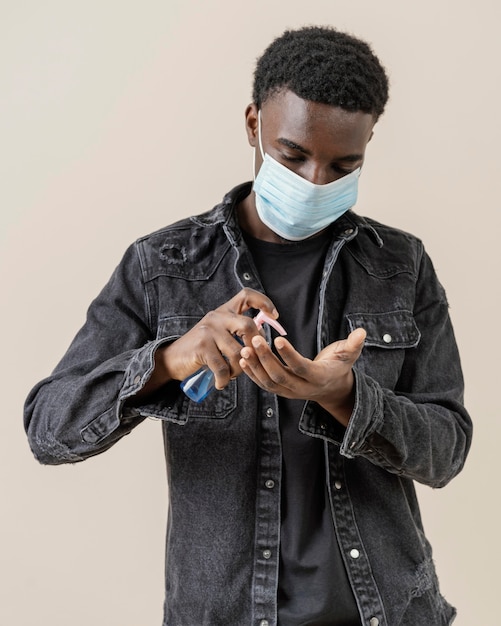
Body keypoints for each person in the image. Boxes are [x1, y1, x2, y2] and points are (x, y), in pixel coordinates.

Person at [24, 26, 472, 626]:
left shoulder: (401, 267)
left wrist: (342, 396)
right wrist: (168, 360)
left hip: (387, 611)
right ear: (253, 124)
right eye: (293, 155)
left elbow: (446, 450)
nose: (316, 181)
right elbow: (49, 429)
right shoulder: (164, 267)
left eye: (344, 164)